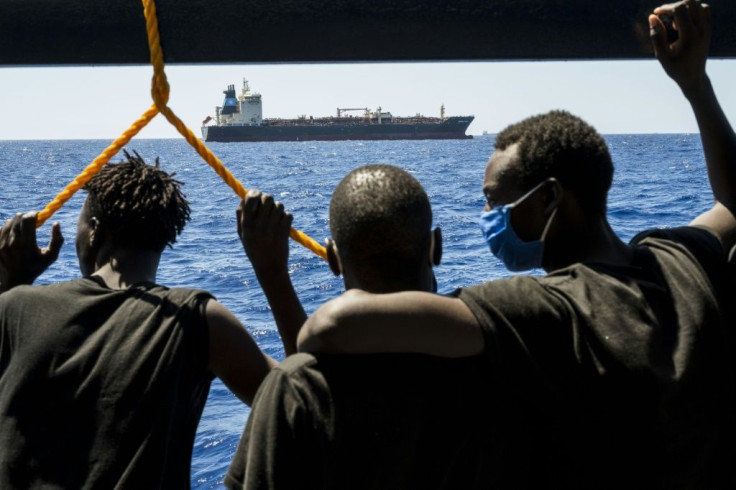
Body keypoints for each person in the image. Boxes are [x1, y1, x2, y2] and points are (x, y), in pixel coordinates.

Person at [297, 1, 736, 488]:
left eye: (494, 202)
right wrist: (695, 84)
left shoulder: (537, 312)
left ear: (549, 198)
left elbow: (329, 327)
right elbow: (733, 203)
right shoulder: (679, 257)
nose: (488, 218)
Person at [0, 151, 287, 488]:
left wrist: (9, 282)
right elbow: (306, 405)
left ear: (93, 231)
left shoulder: (14, 308)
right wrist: (272, 271)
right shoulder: (195, 319)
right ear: (165, 238)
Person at [225, 165, 498, 489]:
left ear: (333, 259)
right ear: (435, 245)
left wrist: (272, 273)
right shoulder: (496, 366)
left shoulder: (296, 389)